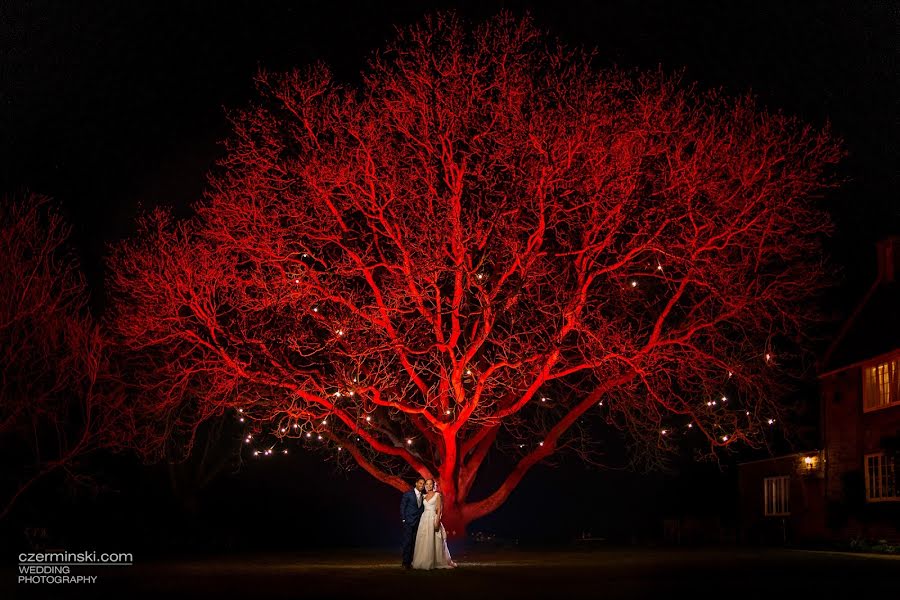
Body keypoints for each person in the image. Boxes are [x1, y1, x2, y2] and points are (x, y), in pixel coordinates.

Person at [411, 479, 457, 569]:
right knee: (423, 539)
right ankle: (423, 560)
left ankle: (434, 561)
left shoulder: (437, 495)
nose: (428, 486)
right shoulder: (423, 496)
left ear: (433, 485)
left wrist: (437, 520)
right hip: (424, 519)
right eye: (427, 484)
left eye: (430, 484)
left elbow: (439, 509)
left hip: (433, 517)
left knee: (434, 539)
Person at [400, 478, 425, 569]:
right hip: (408, 521)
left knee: (414, 542)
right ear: (416, 483)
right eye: (420, 483)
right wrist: (403, 519)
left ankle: (410, 562)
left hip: (418, 522)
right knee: (407, 542)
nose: (422, 485)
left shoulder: (423, 496)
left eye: (423, 484)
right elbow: (402, 506)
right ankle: (405, 562)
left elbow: (421, 509)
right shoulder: (408, 494)